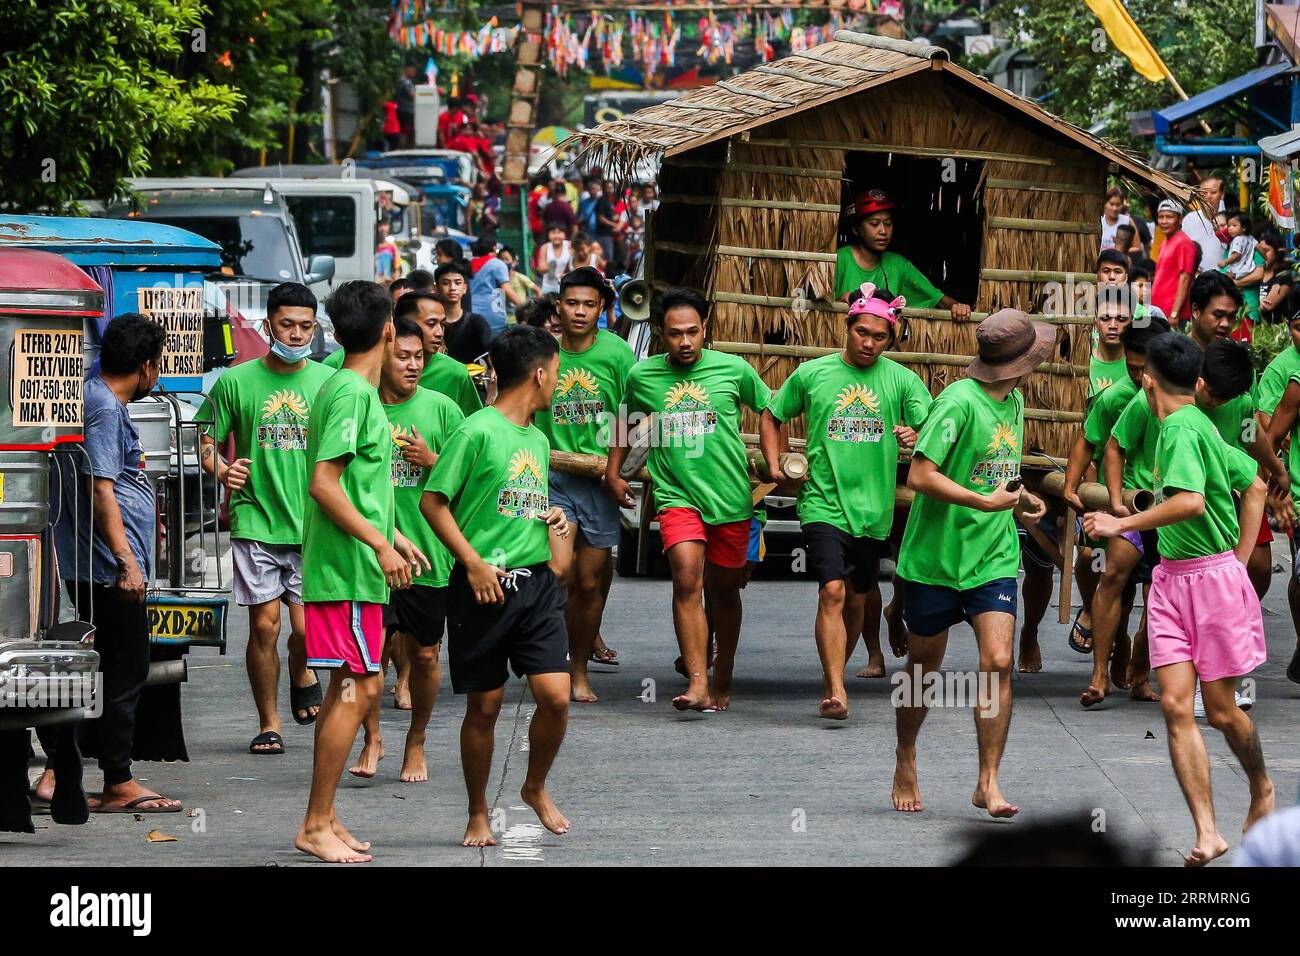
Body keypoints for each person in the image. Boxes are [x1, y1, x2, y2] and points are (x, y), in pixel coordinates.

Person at [1084, 332, 1273, 866]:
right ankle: (1208, 831)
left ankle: (1261, 787)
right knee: (1173, 706)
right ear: (1195, 381)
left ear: (1146, 379)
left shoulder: (1183, 432)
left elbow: (1189, 503)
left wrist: (1123, 520)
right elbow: (1256, 485)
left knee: (1220, 712)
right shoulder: (1195, 425)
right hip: (1171, 579)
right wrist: (1240, 555)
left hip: (1209, 583)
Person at [890, 309, 1052, 818]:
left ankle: (989, 780)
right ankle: (906, 752)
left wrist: (1021, 500)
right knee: (922, 671)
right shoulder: (956, 404)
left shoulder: (1017, 400)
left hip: (994, 555)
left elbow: (995, 474)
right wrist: (982, 503)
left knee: (998, 662)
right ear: (1019, 363)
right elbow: (920, 475)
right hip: (935, 558)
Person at [421, 325, 574, 847]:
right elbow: (433, 503)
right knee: (483, 707)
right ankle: (478, 811)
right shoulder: (476, 430)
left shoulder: (537, 436)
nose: (558, 382)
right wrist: (473, 563)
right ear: (539, 372)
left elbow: (509, 500)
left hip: (535, 583)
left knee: (556, 696)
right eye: (556, 372)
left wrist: (547, 514)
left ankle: (534, 786)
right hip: (480, 588)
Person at [294, 281, 427, 864]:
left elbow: (354, 485)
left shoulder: (345, 388)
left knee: (351, 688)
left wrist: (393, 534)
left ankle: (324, 817)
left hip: (355, 567)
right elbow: (324, 485)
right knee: (359, 687)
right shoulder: (349, 392)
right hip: (346, 570)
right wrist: (380, 543)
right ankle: (315, 822)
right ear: (389, 331)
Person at [761, 283, 931, 717]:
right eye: (862, 333)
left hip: (873, 511)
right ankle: (836, 687)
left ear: (889, 339)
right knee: (832, 591)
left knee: (858, 597)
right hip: (822, 503)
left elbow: (933, 427)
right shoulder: (813, 374)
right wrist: (775, 461)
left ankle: (834, 668)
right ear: (848, 326)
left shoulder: (902, 380)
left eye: (879, 337)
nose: (869, 342)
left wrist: (915, 435)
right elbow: (772, 413)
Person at [43, 313, 182, 813]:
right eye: (159, 363)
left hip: (97, 563)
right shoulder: (102, 406)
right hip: (105, 567)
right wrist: (126, 561)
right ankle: (118, 781)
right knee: (125, 671)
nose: (158, 373)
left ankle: (59, 773)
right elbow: (101, 487)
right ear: (146, 366)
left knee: (100, 668)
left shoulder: (99, 399)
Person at [607, 288, 771, 712]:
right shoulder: (643, 376)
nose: (685, 342)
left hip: (731, 498)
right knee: (685, 579)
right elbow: (625, 421)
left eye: (693, 332)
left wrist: (773, 463)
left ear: (705, 329)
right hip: (677, 494)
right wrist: (613, 472)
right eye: (675, 333)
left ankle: (725, 672)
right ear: (660, 334)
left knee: (725, 591)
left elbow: (773, 410)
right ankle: (698, 683)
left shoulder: (734, 370)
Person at [197, 282, 333, 755]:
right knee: (264, 627)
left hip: (313, 524)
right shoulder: (236, 381)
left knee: (305, 631)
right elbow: (205, 441)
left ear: (315, 329)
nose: (295, 335)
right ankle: (269, 722)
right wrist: (222, 469)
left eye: (304, 326)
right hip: (255, 517)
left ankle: (301, 669)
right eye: (286, 325)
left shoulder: (327, 382)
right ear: (267, 325)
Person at [350, 316, 464, 782]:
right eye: (404, 356)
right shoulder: (360, 406)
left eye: (420, 357)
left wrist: (434, 462)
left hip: (429, 557)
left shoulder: (442, 409)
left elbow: (473, 479)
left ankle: (416, 740)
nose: (414, 365)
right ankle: (372, 737)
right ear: (384, 353)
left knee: (425, 656)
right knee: (367, 654)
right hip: (370, 553)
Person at [533, 267, 635, 702]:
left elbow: (634, 412)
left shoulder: (617, 354)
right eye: (571, 303)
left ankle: (577, 667)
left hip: (599, 480)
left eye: (588, 305)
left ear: (603, 309)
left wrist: (616, 468)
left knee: (590, 582)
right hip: (552, 477)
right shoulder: (543, 351)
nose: (579, 311)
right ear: (558, 305)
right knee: (559, 571)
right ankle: (548, 658)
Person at [1064, 310, 1170, 688]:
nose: (1140, 378)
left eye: (1146, 370)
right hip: (1128, 505)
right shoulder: (1117, 398)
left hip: (1170, 511)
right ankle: (1099, 674)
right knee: (1111, 577)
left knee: (1156, 593)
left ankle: (1139, 671)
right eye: (1132, 367)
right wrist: (1073, 486)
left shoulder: (1182, 398)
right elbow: (1095, 443)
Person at [835, 189, 970, 319]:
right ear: (856, 228)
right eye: (874, 224)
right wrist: (841, 299)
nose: (883, 231)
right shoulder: (839, 260)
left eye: (888, 224)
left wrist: (958, 307)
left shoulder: (899, 265)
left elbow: (939, 300)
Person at [1090, 251, 1133, 395]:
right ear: (1095, 320)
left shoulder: (1138, 367)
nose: (1113, 325)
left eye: (1121, 319)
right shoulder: (1081, 363)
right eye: (1105, 318)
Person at [436, 261, 492, 365]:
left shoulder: (477, 323)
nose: (452, 288)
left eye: (457, 283)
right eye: (445, 283)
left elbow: (489, 354)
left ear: (464, 288)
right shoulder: (432, 324)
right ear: (436, 288)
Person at [1151, 200, 1197, 323]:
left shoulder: (1184, 242)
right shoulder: (1164, 243)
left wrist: (1175, 313)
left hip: (1173, 315)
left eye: (1169, 217)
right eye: (1161, 217)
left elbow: (1185, 278)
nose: (1164, 221)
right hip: (1160, 312)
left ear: (1180, 219)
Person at [1181, 175, 1228, 275]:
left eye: (1213, 192)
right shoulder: (1189, 219)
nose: (1208, 196)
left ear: (1222, 194)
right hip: (1197, 280)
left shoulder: (1231, 220)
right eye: (1204, 192)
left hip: (1225, 279)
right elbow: (1184, 252)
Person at [536, 225, 574, 295]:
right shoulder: (545, 247)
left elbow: (575, 263)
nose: (556, 236)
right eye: (553, 232)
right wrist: (551, 269)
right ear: (548, 234)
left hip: (567, 283)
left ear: (564, 234)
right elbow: (541, 267)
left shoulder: (569, 245)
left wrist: (566, 274)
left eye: (559, 232)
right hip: (548, 285)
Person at [1100, 187, 1136, 252]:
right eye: (1111, 204)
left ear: (1122, 205)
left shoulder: (1127, 221)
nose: (1115, 208)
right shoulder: (1099, 221)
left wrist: (1121, 250)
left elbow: (1137, 247)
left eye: (1118, 205)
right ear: (1105, 203)